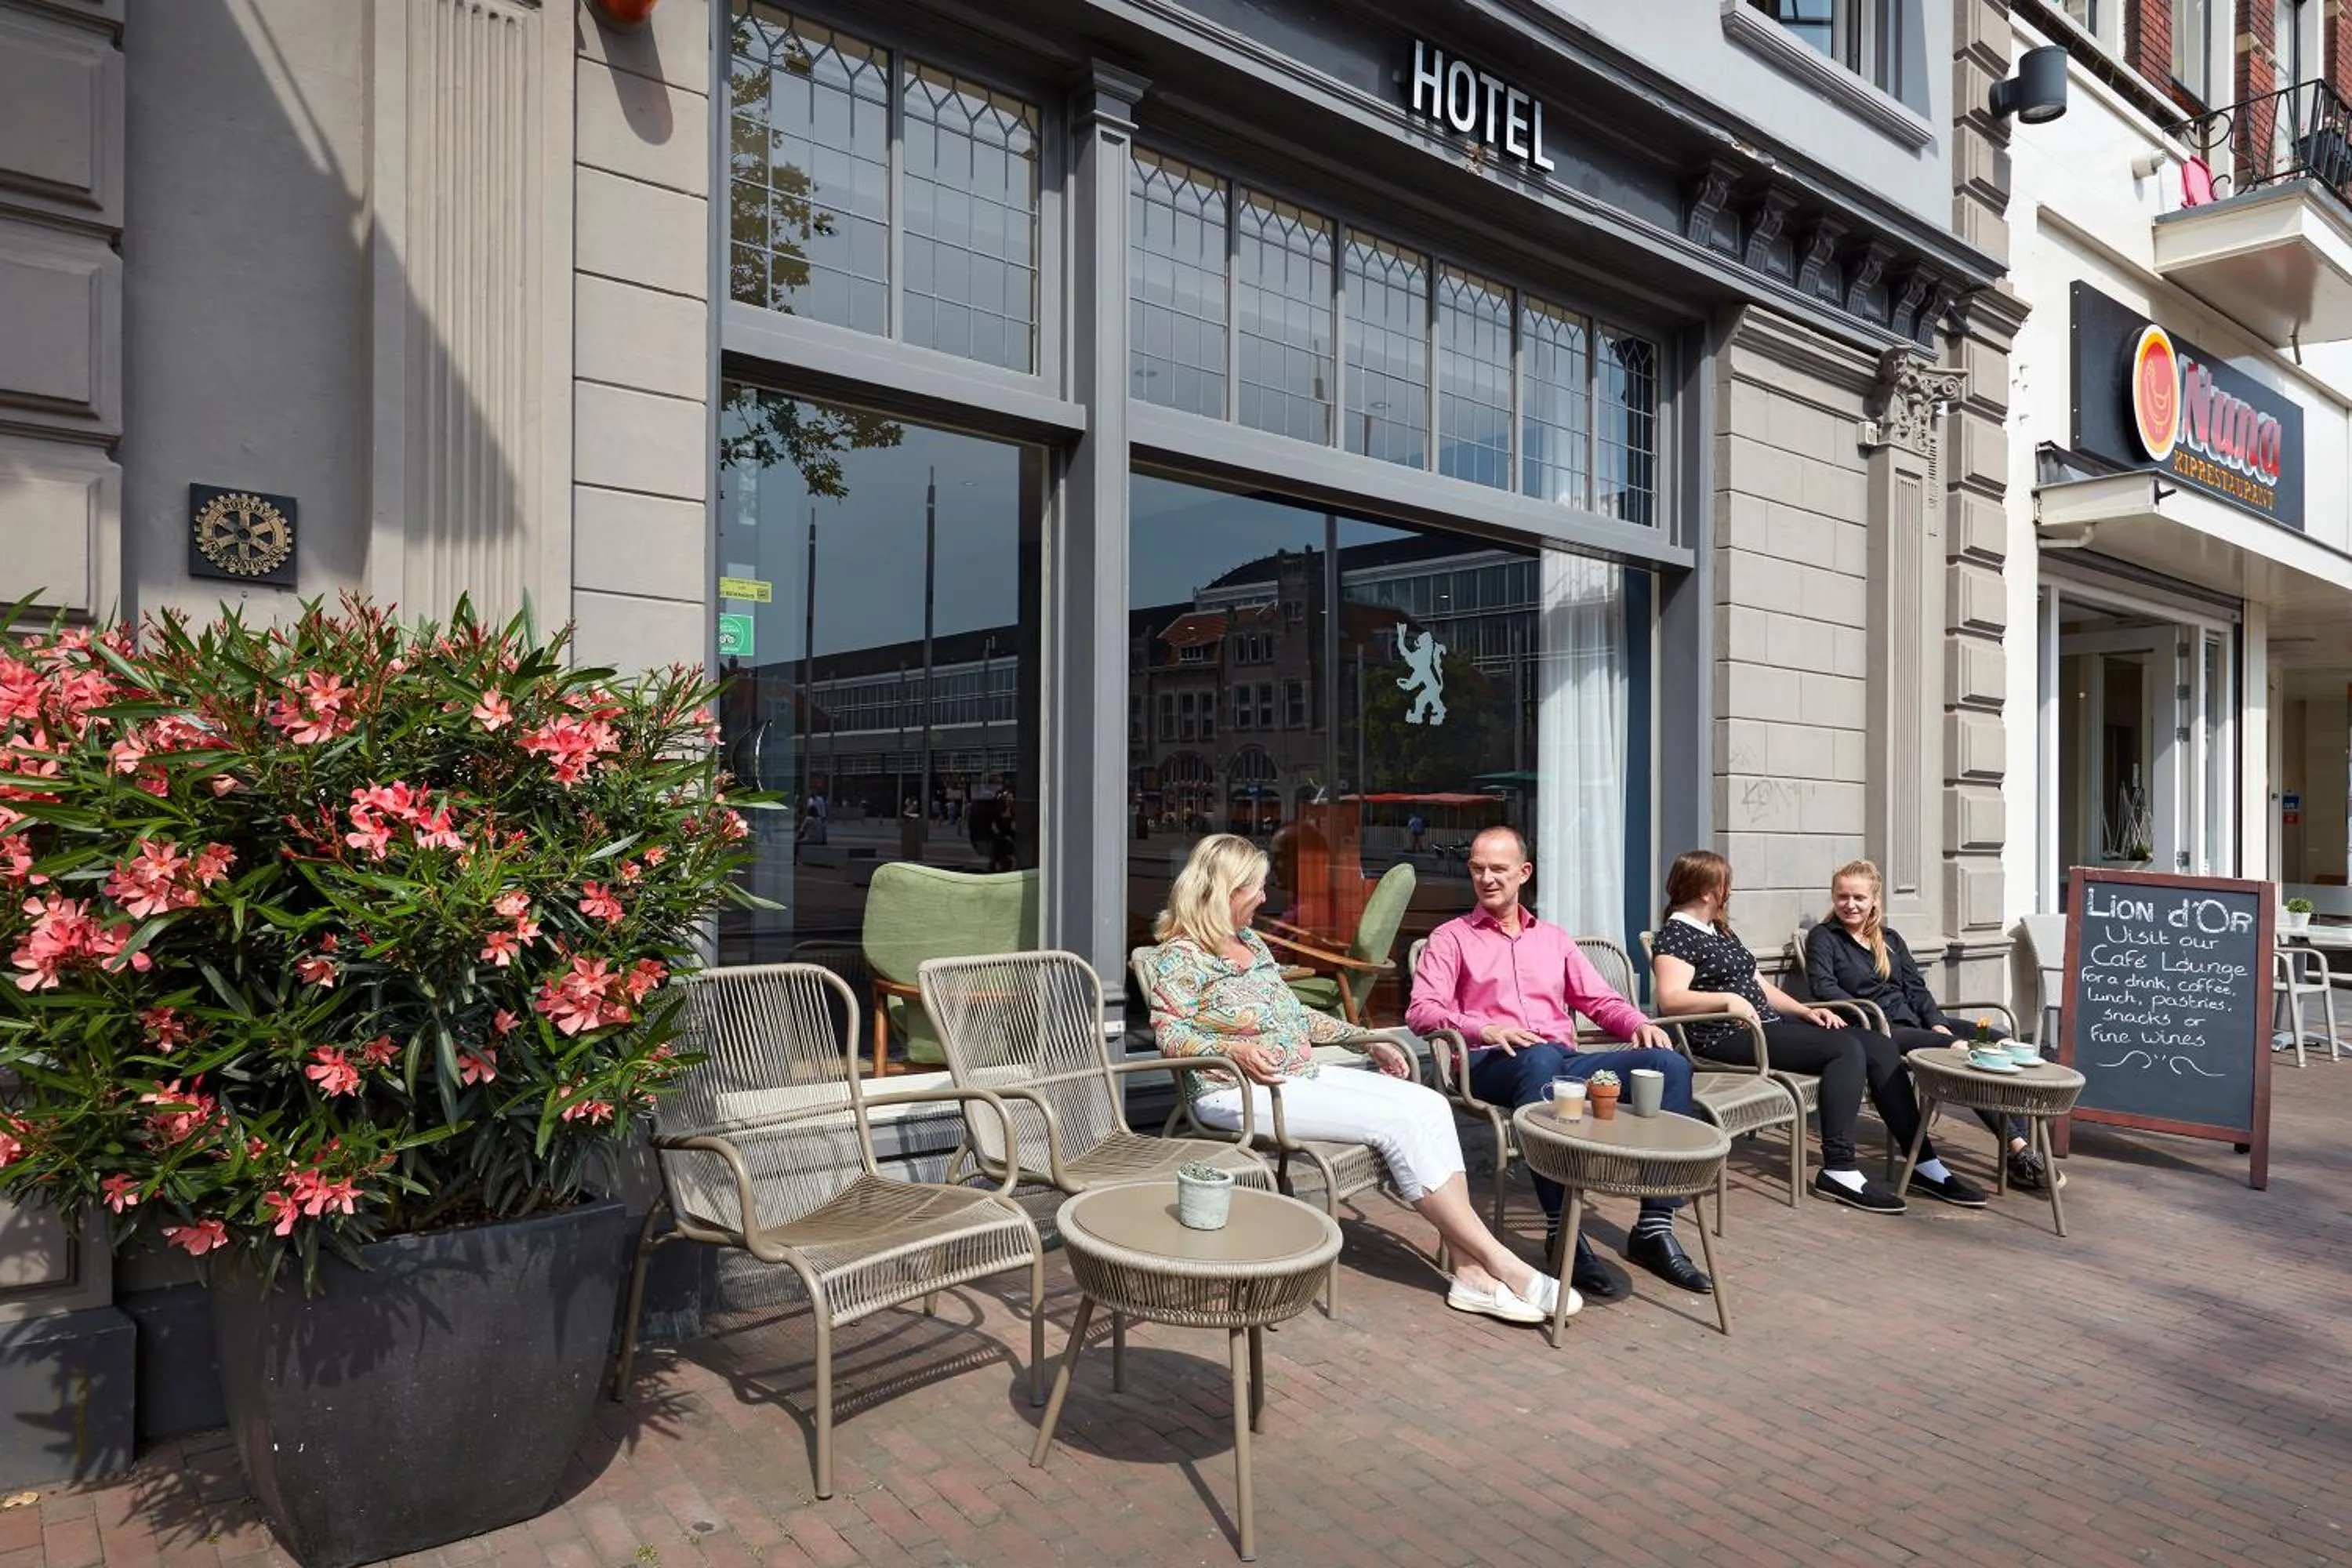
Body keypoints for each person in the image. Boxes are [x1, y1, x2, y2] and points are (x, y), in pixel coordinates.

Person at [1144, 833, 1572, 1326]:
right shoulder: (1181, 955)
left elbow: (1297, 1017)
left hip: (1298, 1074)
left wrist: (1363, 1039)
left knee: (1425, 1104)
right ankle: (1497, 1264)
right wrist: (1232, 1048)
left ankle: (1472, 1272)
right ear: (1226, 891)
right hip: (1233, 1091)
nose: (1265, 897)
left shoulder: (1251, 944)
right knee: (1393, 1122)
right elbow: (1170, 1036)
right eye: (1256, 889)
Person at [1407, 826, 1712, 1299]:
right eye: (1477, 869)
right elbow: (1421, 1010)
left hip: (1558, 1065)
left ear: (1523, 874)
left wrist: (1637, 1023)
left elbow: (1599, 999)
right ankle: (1561, 1227)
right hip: (1490, 1066)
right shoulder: (1452, 939)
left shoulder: (1553, 939)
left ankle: (1654, 1226)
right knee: (1540, 1058)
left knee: (1667, 1064)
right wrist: (1481, 1027)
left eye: (1498, 869)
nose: (1487, 878)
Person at [1649, 849, 1987, 1214]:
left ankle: (1923, 1163)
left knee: (1878, 1046)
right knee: (1844, 1050)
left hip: (1767, 1026)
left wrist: (1807, 1011)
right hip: (1726, 1037)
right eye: (1726, 884)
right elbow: (1670, 999)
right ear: (1707, 890)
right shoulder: (1677, 934)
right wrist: (1726, 1001)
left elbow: (1759, 985)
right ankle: (1839, 1169)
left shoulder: (1718, 930)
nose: (1730, 891)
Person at [1805, 860, 2057, 1192]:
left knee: (1997, 1042)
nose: (1850, 904)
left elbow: (1916, 989)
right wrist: (1875, 1016)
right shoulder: (1825, 938)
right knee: (1967, 1055)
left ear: (1875, 901)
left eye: (1858, 898)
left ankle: (2020, 1148)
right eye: (1842, 897)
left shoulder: (1889, 939)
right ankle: (2021, 1151)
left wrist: (1937, 1022)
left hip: (1913, 1021)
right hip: (1876, 1029)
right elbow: (1824, 988)